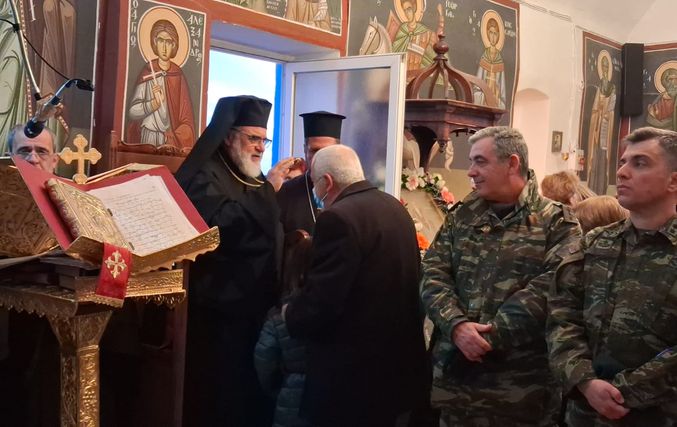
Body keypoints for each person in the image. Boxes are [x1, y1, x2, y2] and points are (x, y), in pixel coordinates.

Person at [420, 126, 581, 426]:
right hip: (457, 386)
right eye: (471, 162)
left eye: (480, 161)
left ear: (512, 163)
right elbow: (433, 272)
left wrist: (485, 338)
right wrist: (456, 326)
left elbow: (551, 289)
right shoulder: (463, 215)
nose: (471, 171)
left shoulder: (557, 223)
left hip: (520, 390)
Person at [283, 145, 429, 427]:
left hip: (352, 376)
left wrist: (291, 315)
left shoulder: (337, 217)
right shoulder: (393, 206)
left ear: (327, 182)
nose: (314, 192)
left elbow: (324, 299)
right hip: (395, 367)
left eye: (314, 183)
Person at [176, 95, 297, 426]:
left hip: (256, 306)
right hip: (220, 310)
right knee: (225, 396)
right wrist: (268, 190)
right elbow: (218, 228)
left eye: (264, 140)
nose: (260, 147)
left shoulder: (252, 176)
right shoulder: (205, 176)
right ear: (229, 136)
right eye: (253, 138)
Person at [547, 126, 677, 426]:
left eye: (640, 163)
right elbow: (561, 314)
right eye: (623, 162)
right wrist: (585, 381)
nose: (622, 172)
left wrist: (624, 392)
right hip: (584, 412)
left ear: (673, 180)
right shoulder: (595, 242)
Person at [127, 19, 195, 151]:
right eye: (160, 40)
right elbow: (133, 112)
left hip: (169, 141)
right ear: (154, 42)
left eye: (168, 42)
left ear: (174, 45)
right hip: (149, 135)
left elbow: (186, 119)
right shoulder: (148, 72)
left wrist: (172, 137)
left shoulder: (177, 75)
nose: (164, 47)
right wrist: (153, 104)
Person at [277, 110, 345, 234]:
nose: (320, 157)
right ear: (305, 150)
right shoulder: (285, 193)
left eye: (327, 151)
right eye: (315, 150)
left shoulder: (349, 192)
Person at [586, 51, 617, 195]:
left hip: (605, 126)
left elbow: (611, 110)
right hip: (596, 126)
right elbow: (593, 109)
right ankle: (591, 186)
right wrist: (599, 110)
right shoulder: (597, 86)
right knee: (594, 155)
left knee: (604, 156)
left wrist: (606, 114)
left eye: (606, 66)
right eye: (603, 65)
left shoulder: (612, 88)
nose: (604, 68)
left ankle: (601, 189)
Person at [474, 15, 506, 108]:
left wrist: (497, 100)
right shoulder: (484, 58)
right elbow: (477, 87)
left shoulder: (500, 61)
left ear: (498, 36)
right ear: (487, 34)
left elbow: (502, 94)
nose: (493, 37)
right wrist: (485, 96)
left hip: (495, 104)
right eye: (491, 33)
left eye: (495, 34)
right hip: (483, 101)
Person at [647, 66, 677, 132]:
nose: (674, 83)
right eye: (670, 79)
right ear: (664, 81)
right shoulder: (660, 98)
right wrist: (653, 115)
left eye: (676, 79)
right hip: (658, 131)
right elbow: (652, 117)